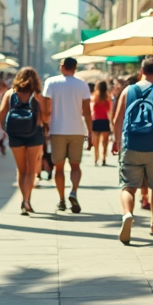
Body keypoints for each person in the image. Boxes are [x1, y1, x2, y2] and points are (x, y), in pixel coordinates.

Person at [112, 56, 153, 243]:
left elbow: (117, 120)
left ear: (142, 71)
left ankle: (127, 214)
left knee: (128, 186)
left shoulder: (128, 90)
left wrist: (116, 142)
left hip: (131, 144)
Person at [42, 57, 92, 213]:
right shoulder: (82, 85)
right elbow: (87, 111)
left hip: (57, 130)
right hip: (77, 130)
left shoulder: (51, 82)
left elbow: (46, 108)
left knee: (59, 168)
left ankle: (62, 200)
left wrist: (46, 124)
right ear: (75, 68)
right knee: (75, 166)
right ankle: (74, 192)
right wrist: (90, 132)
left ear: (62, 67)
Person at [0, 67, 46, 216]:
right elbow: (45, 116)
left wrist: (6, 129)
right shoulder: (38, 95)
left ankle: (23, 199)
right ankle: (27, 200)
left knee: (21, 169)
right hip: (34, 134)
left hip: (15, 135)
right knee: (31, 169)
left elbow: (1, 114)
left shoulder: (10, 94)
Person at [91, 81, 112, 166]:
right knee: (105, 141)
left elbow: (92, 109)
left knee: (96, 141)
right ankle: (104, 158)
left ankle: (96, 157)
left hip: (96, 120)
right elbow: (109, 110)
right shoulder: (108, 97)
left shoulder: (94, 97)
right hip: (105, 120)